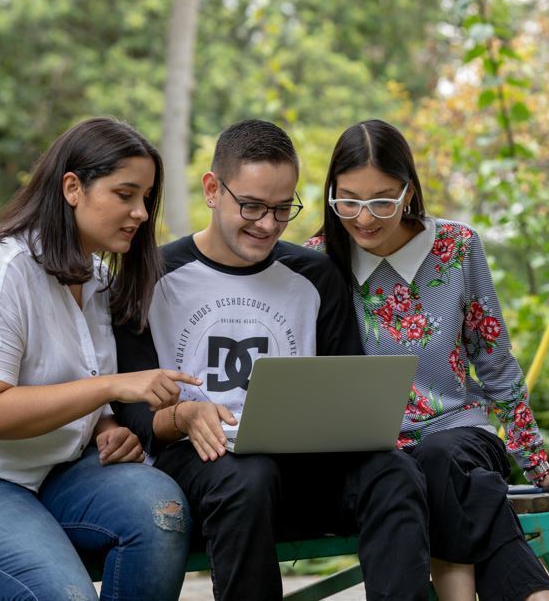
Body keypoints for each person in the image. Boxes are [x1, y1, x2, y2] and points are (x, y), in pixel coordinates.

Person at [0, 117, 201, 601]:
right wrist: (113, 389)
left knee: (161, 512)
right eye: (124, 194)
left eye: (146, 198)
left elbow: (75, 382)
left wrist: (105, 426)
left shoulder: (93, 278)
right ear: (73, 187)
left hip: (48, 474)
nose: (140, 213)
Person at [112, 119, 431, 601]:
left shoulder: (316, 276)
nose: (268, 224)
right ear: (213, 189)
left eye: (284, 209)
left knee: (395, 472)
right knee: (248, 475)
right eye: (253, 206)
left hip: (304, 470)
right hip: (203, 469)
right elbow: (132, 416)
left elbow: (345, 389)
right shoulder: (152, 277)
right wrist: (181, 415)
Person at [309, 119, 549, 601]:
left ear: (409, 190)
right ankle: (535, 596)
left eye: (382, 200)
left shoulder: (456, 247)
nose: (363, 218)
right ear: (330, 194)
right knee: (427, 473)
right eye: (348, 200)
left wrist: (538, 465)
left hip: (461, 435)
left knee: (440, 460)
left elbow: (496, 360)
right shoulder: (318, 260)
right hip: (377, 459)